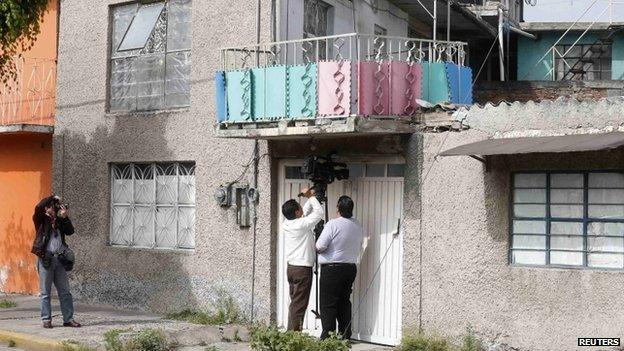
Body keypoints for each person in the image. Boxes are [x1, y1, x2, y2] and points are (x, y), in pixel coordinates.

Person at [316, 195, 363, 340]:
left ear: (338, 208)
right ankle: (345, 334)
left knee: (328, 304)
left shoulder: (333, 224)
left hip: (332, 268)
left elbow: (320, 246)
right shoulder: (357, 224)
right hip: (349, 268)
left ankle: (328, 337)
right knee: (344, 302)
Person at [31, 195, 81, 329]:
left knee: (65, 291)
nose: (54, 208)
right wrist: (52, 197)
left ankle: (68, 319)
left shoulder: (59, 220)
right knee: (45, 292)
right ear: (47, 208)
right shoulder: (40, 220)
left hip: (59, 259)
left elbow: (70, 231)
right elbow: (38, 207)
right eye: (52, 206)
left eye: (54, 206)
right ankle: (46, 320)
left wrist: (65, 217)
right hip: (46, 258)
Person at [281, 188, 324, 331]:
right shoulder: (301, 224)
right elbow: (319, 213)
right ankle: (292, 336)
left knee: (295, 303)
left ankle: (290, 333)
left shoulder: (287, 222)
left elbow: (303, 213)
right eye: (299, 208)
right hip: (301, 270)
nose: (301, 209)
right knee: (299, 305)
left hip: (292, 268)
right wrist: (311, 196)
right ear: (297, 213)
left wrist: (308, 199)